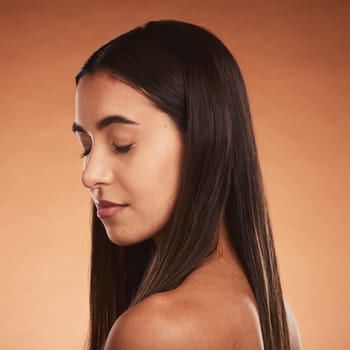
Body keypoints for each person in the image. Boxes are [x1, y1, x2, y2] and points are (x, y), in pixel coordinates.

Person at [72, 20, 302, 350]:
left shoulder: (158, 330)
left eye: (122, 143)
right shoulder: (277, 314)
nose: (90, 175)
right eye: (86, 145)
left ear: (202, 141)